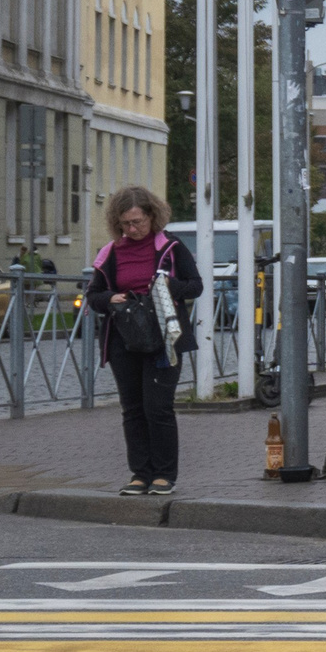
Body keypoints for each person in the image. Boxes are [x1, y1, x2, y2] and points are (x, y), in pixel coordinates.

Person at [87, 186, 201, 498]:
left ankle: (164, 475)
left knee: (158, 407)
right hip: (123, 338)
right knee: (132, 408)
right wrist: (112, 296)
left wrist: (169, 285)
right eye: (125, 224)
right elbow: (93, 295)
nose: (132, 229)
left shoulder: (171, 248)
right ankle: (140, 474)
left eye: (137, 222)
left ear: (152, 216)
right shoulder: (110, 252)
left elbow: (196, 286)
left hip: (164, 338)